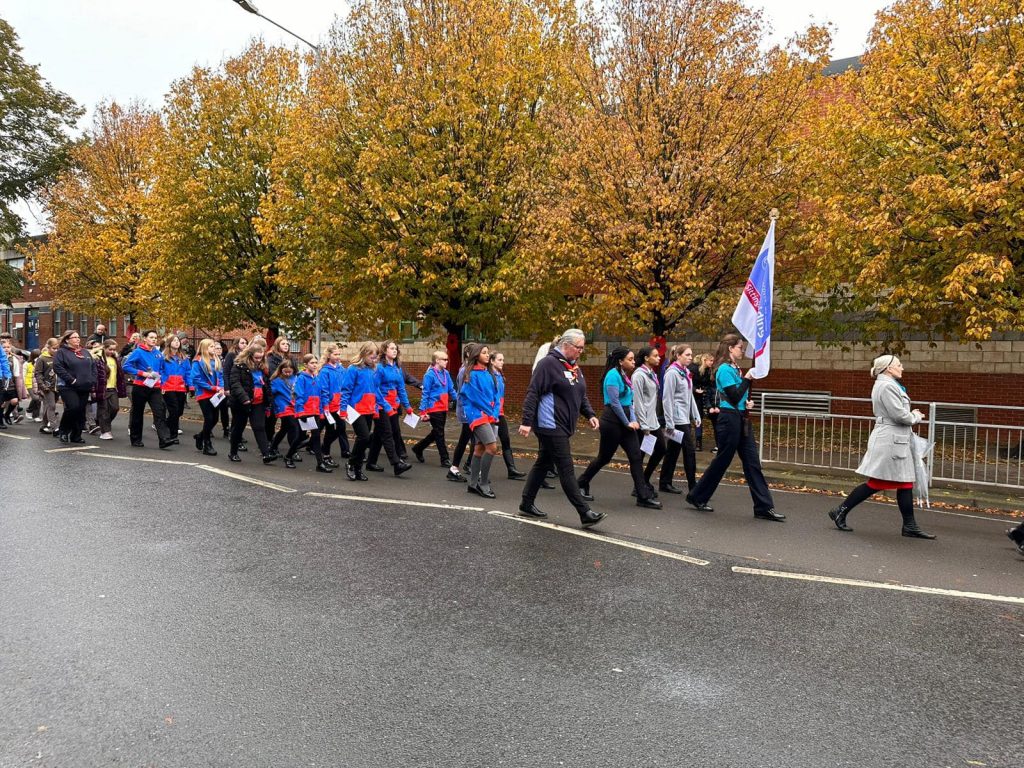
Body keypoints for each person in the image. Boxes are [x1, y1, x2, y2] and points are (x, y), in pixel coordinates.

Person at [827, 354, 935, 539]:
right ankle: (840, 510)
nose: (902, 368)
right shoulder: (886, 386)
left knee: (905, 483)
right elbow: (900, 416)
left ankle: (909, 525)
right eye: (899, 365)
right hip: (890, 440)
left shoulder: (887, 384)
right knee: (878, 483)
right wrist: (915, 416)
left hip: (894, 438)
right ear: (888, 368)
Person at [685, 333, 784, 522]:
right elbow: (734, 395)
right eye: (740, 347)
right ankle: (697, 496)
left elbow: (740, 397)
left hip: (740, 418)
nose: (743, 350)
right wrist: (747, 378)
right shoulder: (724, 370)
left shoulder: (734, 368)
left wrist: (747, 403)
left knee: (752, 463)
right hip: (729, 420)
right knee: (722, 460)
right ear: (730, 348)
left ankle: (764, 506)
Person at [518, 329, 605, 528]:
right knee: (566, 468)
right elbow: (533, 392)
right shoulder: (548, 364)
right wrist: (526, 421)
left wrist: (590, 414)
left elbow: (580, 393)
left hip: (564, 424)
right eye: (579, 347)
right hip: (550, 424)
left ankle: (526, 503)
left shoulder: (572, 366)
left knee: (543, 463)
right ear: (566, 345)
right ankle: (585, 512)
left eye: (583, 347)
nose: (581, 351)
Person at [576, 347, 661, 509]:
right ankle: (581, 482)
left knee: (636, 457)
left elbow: (630, 401)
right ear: (620, 361)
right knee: (604, 458)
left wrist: (633, 420)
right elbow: (614, 403)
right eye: (630, 359)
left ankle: (642, 496)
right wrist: (627, 422)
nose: (634, 361)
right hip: (612, 422)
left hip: (626, 421)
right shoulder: (612, 376)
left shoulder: (624, 375)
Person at [459, 343, 501, 498]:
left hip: (488, 414)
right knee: (492, 447)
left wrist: (494, 411)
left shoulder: (489, 373)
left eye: (488, 352)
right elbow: (473, 397)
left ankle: (473, 484)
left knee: (479, 449)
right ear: (476, 355)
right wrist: (490, 410)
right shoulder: (471, 374)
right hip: (476, 415)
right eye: (484, 352)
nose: (487, 355)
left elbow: (496, 396)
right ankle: (483, 484)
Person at [365, 340, 413, 476]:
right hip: (381, 406)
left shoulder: (397, 368)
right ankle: (397, 463)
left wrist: (407, 406)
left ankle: (370, 462)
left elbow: (401, 388)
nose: (395, 350)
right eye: (392, 348)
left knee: (381, 435)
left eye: (396, 348)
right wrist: (379, 406)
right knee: (388, 433)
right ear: (385, 351)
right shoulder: (379, 367)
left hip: (394, 405)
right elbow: (375, 388)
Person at [122, 329, 173, 449]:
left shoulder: (158, 353)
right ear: (145, 339)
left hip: (155, 387)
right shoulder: (138, 352)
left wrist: (161, 380)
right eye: (151, 337)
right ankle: (135, 439)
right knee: (137, 413)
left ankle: (164, 439)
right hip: (140, 387)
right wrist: (142, 373)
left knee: (160, 411)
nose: (154, 339)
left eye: (155, 338)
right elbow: (126, 366)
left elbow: (163, 369)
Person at [661, 344, 701, 494]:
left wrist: (695, 415)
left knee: (673, 450)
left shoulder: (686, 372)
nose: (690, 357)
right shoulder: (672, 373)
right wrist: (670, 423)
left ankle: (665, 482)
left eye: (691, 355)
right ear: (678, 356)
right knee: (689, 451)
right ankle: (693, 487)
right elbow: (667, 398)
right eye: (687, 355)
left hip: (684, 418)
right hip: (677, 420)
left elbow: (689, 396)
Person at [339, 342, 381, 481]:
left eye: (375, 357)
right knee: (364, 437)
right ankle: (351, 463)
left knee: (365, 438)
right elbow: (346, 390)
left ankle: (357, 468)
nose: (373, 359)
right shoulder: (353, 369)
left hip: (368, 408)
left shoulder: (373, 370)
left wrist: (375, 409)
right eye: (371, 356)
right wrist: (343, 409)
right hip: (355, 409)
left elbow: (375, 391)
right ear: (364, 354)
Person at [227, 342, 274, 463]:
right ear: (249, 355)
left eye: (261, 357)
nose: (259, 360)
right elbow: (235, 383)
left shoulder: (263, 368)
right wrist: (244, 398)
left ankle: (266, 454)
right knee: (238, 428)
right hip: (241, 403)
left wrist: (269, 401)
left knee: (259, 427)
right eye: (256, 357)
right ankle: (233, 452)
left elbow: (267, 385)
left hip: (258, 402)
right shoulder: (239, 366)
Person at [412, 349, 458, 467]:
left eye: (447, 359)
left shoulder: (446, 374)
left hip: (443, 407)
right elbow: (425, 394)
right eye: (444, 359)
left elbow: (451, 389)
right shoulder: (429, 375)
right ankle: (444, 459)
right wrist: (423, 411)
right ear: (437, 361)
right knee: (439, 433)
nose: (447, 361)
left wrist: (459, 400)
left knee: (436, 432)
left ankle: (418, 448)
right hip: (433, 408)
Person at [631, 345, 666, 495]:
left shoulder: (652, 373)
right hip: (643, 422)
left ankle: (644, 480)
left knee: (660, 449)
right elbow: (637, 401)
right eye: (656, 356)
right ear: (646, 358)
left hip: (653, 420)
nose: (659, 358)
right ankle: (639, 487)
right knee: (641, 455)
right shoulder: (639, 375)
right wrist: (644, 425)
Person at [52, 330, 96, 444]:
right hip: (68, 386)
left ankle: (76, 435)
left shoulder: (85, 352)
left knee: (81, 411)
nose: (78, 339)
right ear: (67, 340)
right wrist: (71, 380)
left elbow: (93, 367)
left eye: (78, 337)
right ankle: (63, 431)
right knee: (73, 407)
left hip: (84, 385)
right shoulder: (61, 352)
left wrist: (92, 380)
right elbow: (57, 367)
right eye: (74, 337)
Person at [294, 353, 332, 473]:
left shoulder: (317, 378)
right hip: (305, 412)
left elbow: (321, 396)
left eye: (316, 363)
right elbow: (298, 395)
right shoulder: (301, 378)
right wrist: (300, 411)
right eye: (312, 363)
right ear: (305, 365)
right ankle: (290, 455)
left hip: (315, 412)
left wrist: (321, 412)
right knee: (303, 437)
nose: (315, 365)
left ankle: (319, 464)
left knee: (315, 437)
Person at [491, 352, 526, 479]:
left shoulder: (500, 375)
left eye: (503, 360)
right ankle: (474, 468)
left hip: (500, 413)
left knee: (505, 440)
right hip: (491, 414)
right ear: (492, 361)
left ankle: (511, 469)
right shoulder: (490, 376)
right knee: (487, 444)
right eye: (499, 360)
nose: (502, 362)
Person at [317, 343, 348, 468]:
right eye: (335, 354)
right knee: (331, 429)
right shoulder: (325, 371)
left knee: (338, 429)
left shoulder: (341, 369)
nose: (338, 356)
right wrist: (325, 406)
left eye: (339, 354)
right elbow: (324, 390)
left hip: (339, 404)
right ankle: (325, 454)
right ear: (329, 355)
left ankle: (324, 451)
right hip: (329, 406)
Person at [269, 357, 303, 468]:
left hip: (294, 406)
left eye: (290, 371)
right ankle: (293, 452)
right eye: (285, 371)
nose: (288, 374)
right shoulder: (276, 381)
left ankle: (273, 447)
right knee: (293, 427)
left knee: (284, 429)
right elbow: (271, 393)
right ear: (281, 369)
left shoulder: (296, 378)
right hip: (283, 407)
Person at [92, 339, 126, 440]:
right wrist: (93, 390)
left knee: (115, 408)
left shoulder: (115, 359)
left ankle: (102, 423)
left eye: (114, 350)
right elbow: (94, 375)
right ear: (104, 348)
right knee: (104, 410)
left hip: (113, 388)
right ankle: (105, 431)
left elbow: (119, 374)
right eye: (110, 349)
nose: (112, 351)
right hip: (102, 388)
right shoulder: (97, 359)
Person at [160, 333, 190, 444]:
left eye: (178, 340)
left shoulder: (184, 357)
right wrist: (163, 382)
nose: (177, 342)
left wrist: (189, 385)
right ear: (169, 343)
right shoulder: (163, 356)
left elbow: (188, 371)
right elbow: (160, 370)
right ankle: (173, 435)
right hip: (168, 388)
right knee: (173, 410)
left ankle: (165, 426)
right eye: (174, 340)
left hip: (181, 388)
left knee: (179, 411)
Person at [266, 336, 291, 442]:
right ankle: (268, 441)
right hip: (274, 392)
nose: (286, 345)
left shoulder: (289, 358)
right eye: (283, 344)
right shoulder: (271, 358)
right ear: (277, 345)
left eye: (287, 344)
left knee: (288, 421)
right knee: (271, 420)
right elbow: (272, 375)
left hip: (287, 392)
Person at [34, 338, 59, 434]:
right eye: (54, 348)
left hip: (57, 386)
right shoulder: (42, 359)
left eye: (57, 348)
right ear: (48, 347)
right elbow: (38, 374)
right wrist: (42, 385)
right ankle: (55, 427)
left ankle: (43, 425)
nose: (56, 350)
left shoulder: (57, 357)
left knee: (49, 406)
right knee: (52, 406)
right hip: (47, 387)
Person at [693, 353, 715, 451]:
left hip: (703, 397)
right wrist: (695, 390)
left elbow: (710, 384)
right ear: (705, 360)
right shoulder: (695, 369)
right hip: (694, 396)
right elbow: (689, 383)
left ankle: (698, 443)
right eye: (710, 360)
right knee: (693, 419)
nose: (712, 362)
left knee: (699, 419)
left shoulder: (710, 371)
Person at [25, 350, 40, 421]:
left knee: (39, 399)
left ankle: (36, 416)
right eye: (37, 356)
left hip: (37, 384)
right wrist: (24, 387)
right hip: (29, 384)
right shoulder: (27, 364)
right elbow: (23, 375)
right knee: (35, 398)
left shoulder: (40, 363)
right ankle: (28, 410)